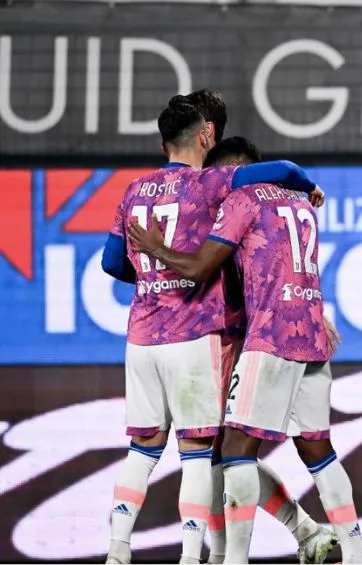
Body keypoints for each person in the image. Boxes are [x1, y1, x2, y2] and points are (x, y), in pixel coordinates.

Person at [100, 97, 324, 564]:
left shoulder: (133, 190)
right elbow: (285, 169)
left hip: (141, 336)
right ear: (205, 135)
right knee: (203, 452)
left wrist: (155, 278)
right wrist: (309, 185)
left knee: (144, 448)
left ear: (162, 143)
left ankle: (117, 551)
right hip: (197, 335)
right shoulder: (211, 183)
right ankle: (195, 556)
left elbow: (111, 262)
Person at [126, 136, 362, 564]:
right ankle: (355, 553)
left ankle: (233, 559)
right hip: (311, 335)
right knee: (317, 449)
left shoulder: (241, 200)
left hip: (267, 339)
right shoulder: (300, 202)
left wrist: (154, 248)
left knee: (232, 451)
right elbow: (279, 266)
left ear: (232, 171)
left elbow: (200, 267)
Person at [180, 89, 336, 565]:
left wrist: (310, 311)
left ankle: (229, 554)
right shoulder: (196, 184)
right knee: (220, 452)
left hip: (239, 333)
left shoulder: (230, 183)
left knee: (222, 450)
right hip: (212, 330)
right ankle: (302, 533)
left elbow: (278, 256)